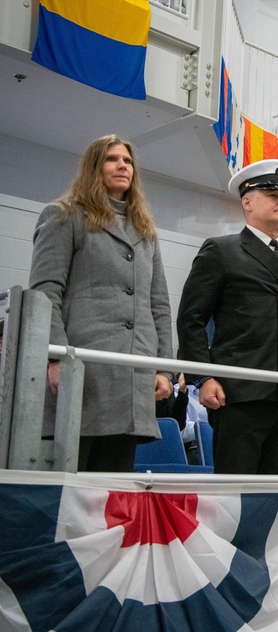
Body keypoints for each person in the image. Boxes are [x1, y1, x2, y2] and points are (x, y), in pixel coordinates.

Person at [30, 134, 172, 472]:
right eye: (112, 159)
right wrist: (55, 356)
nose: (123, 165)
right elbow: (45, 291)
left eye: (128, 160)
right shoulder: (64, 215)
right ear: (95, 167)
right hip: (84, 372)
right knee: (70, 493)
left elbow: (160, 305)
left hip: (133, 378)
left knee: (113, 495)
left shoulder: (145, 231)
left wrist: (165, 367)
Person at [176, 159, 278, 475]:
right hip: (240, 395)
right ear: (247, 201)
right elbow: (191, 319)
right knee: (235, 497)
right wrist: (203, 377)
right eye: (272, 193)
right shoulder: (222, 251)